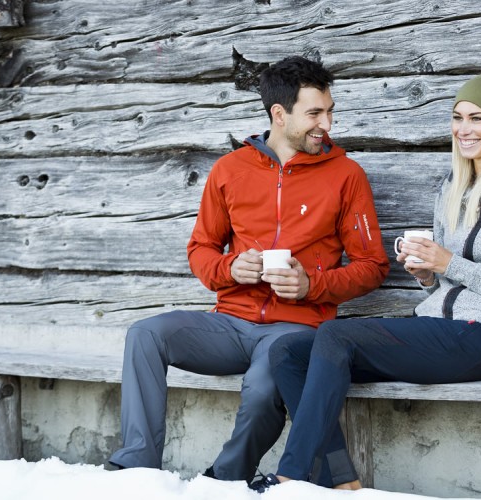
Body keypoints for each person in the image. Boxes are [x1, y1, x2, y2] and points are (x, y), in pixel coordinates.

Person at [256, 70, 481, 491]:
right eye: (457, 118)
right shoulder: (452, 186)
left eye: (477, 118)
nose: (463, 129)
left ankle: (291, 475)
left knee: (334, 336)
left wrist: (450, 263)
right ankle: (340, 479)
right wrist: (426, 273)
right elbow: (443, 283)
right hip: (432, 327)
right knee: (289, 350)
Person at [108, 56, 390, 488]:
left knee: (262, 389)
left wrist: (312, 285)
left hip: (295, 330)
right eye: (315, 113)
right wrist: (230, 268)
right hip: (230, 324)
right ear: (279, 114)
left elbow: (373, 266)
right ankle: (135, 469)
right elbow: (201, 249)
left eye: (330, 111)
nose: (327, 124)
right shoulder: (230, 170)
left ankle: (224, 479)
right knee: (145, 334)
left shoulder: (345, 176)